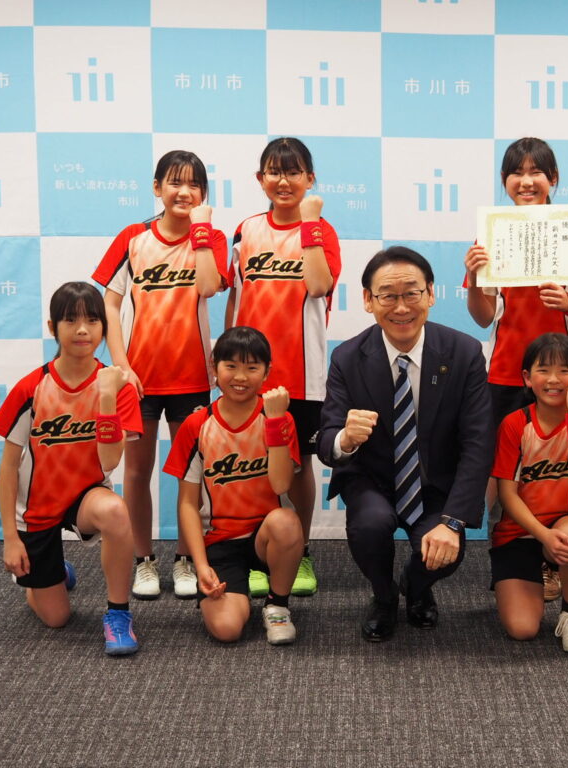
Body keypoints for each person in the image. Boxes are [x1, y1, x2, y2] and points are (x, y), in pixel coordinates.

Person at [318, 246, 494, 641]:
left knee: (446, 551)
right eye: (388, 295)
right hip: (373, 481)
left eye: (412, 293)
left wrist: (453, 521)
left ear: (431, 294)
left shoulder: (464, 353)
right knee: (370, 526)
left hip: (435, 484)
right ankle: (384, 597)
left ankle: (415, 587)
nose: (401, 307)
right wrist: (346, 438)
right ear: (368, 300)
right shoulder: (347, 357)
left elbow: (478, 443)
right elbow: (327, 439)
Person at [464, 137, 568, 602]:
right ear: (505, 181)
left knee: (560, 469)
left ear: (553, 179)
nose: (526, 181)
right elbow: (483, 316)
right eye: (516, 173)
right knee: (502, 474)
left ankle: (552, 558)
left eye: (536, 172)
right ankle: (508, 557)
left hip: (564, 376)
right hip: (505, 373)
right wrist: (475, 277)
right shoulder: (491, 236)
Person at [92, 150, 228, 601]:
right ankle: (143, 560)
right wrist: (121, 365)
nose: (183, 192)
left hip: (192, 378)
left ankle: (187, 558)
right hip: (140, 379)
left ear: (204, 194)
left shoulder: (213, 239)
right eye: (174, 182)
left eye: (194, 185)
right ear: (157, 187)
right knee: (137, 471)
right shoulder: (133, 237)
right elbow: (110, 302)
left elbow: (208, 286)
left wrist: (202, 232)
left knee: (192, 475)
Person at [0, 282, 143, 655]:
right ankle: (53, 574)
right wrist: (10, 538)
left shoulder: (120, 388)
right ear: (52, 327)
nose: (82, 330)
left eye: (92, 320)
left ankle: (118, 613)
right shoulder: (31, 387)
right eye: (70, 320)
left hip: (85, 496)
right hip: (36, 507)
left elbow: (109, 461)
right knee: (56, 618)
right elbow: (9, 467)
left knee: (115, 511)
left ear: (104, 327)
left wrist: (106, 397)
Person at [227, 137, 341, 599]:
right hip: (247, 373)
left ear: (310, 179)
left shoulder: (322, 231)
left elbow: (318, 285)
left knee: (296, 467)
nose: (284, 180)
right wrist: (226, 358)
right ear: (260, 179)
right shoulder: (246, 230)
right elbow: (235, 296)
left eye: (293, 172)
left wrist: (309, 224)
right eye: (274, 171)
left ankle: (302, 550)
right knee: (256, 465)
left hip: (301, 371)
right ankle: (258, 554)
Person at [164, 327, 304, 645]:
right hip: (220, 542)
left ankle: (277, 605)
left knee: (286, 522)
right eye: (231, 366)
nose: (240, 377)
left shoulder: (280, 419)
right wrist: (200, 566)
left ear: (267, 372)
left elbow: (281, 484)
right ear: (214, 367)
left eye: (252, 367)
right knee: (226, 630)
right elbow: (187, 503)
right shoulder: (196, 425)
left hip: (265, 537)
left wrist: (275, 423)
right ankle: (236, 595)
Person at [490, 334, 568, 653]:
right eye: (543, 370)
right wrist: (543, 536)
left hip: (563, 525)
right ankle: (539, 571)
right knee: (522, 629)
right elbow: (507, 495)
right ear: (527, 378)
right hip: (518, 533)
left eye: (564, 370)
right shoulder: (515, 424)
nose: (553, 379)